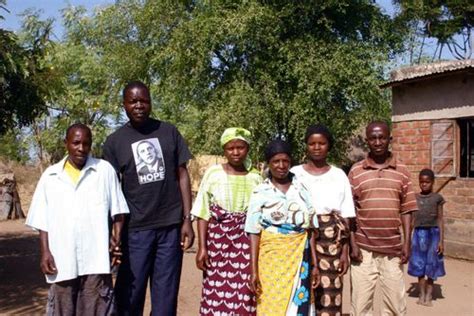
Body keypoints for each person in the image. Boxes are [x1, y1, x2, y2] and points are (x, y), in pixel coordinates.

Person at [103, 81, 194, 315]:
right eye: (133, 101)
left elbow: (182, 174)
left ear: (150, 102)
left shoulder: (168, 132)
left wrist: (187, 219)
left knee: (165, 300)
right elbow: (110, 190)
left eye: (143, 100)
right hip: (135, 231)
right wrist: (112, 233)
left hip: (170, 228)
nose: (139, 105)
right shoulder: (115, 142)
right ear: (124, 105)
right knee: (129, 297)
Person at [26, 123, 129, 315]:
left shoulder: (104, 171)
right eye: (76, 143)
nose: (81, 148)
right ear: (66, 143)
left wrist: (116, 240)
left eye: (86, 143)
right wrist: (45, 252)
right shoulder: (51, 176)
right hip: (62, 260)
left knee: (97, 308)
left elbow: (119, 211)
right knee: (62, 309)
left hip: (96, 259)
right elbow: (41, 219)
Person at [348, 121, 418, 316]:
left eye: (382, 137)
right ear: (367, 141)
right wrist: (353, 244)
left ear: (390, 140)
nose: (377, 142)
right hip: (363, 250)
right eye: (373, 138)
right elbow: (349, 212)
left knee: (396, 306)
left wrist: (407, 244)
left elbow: (407, 210)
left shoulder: (402, 172)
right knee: (360, 306)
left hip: (392, 250)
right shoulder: (356, 171)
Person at [191, 127, 262, 315]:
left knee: (245, 292)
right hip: (217, 244)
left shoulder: (256, 178)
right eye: (231, 148)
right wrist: (202, 247)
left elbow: (258, 217)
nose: (236, 152)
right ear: (224, 149)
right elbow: (203, 212)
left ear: (248, 149)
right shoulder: (213, 174)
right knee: (214, 291)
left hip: (246, 244)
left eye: (241, 147)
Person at [245, 139, 320, 315]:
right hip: (270, 260)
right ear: (268, 164)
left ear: (290, 162)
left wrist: (315, 264)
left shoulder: (302, 189)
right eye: (275, 161)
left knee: (298, 305)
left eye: (285, 161)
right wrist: (254, 270)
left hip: (301, 258)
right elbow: (254, 233)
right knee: (271, 303)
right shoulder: (260, 192)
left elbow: (311, 230)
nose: (281, 165)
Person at [291, 124, 355, 316]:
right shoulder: (294, 174)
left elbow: (347, 215)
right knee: (299, 289)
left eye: (322, 143)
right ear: (306, 146)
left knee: (330, 293)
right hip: (298, 238)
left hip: (331, 242)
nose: (317, 147)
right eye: (312, 143)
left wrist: (345, 252)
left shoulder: (338, 175)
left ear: (329, 146)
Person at [408, 168, 446, 307]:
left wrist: (441, 241)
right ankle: (421, 293)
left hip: (433, 234)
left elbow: (441, 219)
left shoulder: (437, 198)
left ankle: (429, 295)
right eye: (421, 182)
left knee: (431, 265)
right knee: (419, 265)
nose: (424, 184)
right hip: (419, 235)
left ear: (433, 182)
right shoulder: (415, 198)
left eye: (427, 182)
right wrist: (407, 240)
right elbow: (411, 219)